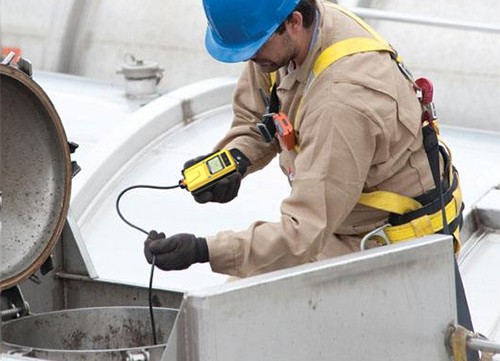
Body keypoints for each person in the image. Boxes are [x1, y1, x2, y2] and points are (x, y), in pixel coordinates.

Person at [144, 1, 476, 358]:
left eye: (254, 50)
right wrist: (237, 159)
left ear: (294, 22)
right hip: (338, 223)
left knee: (245, 322)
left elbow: (302, 232)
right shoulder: (282, 36)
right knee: (234, 317)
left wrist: (203, 250)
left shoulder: (343, 99)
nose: (250, 61)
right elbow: (258, 115)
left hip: (387, 250)